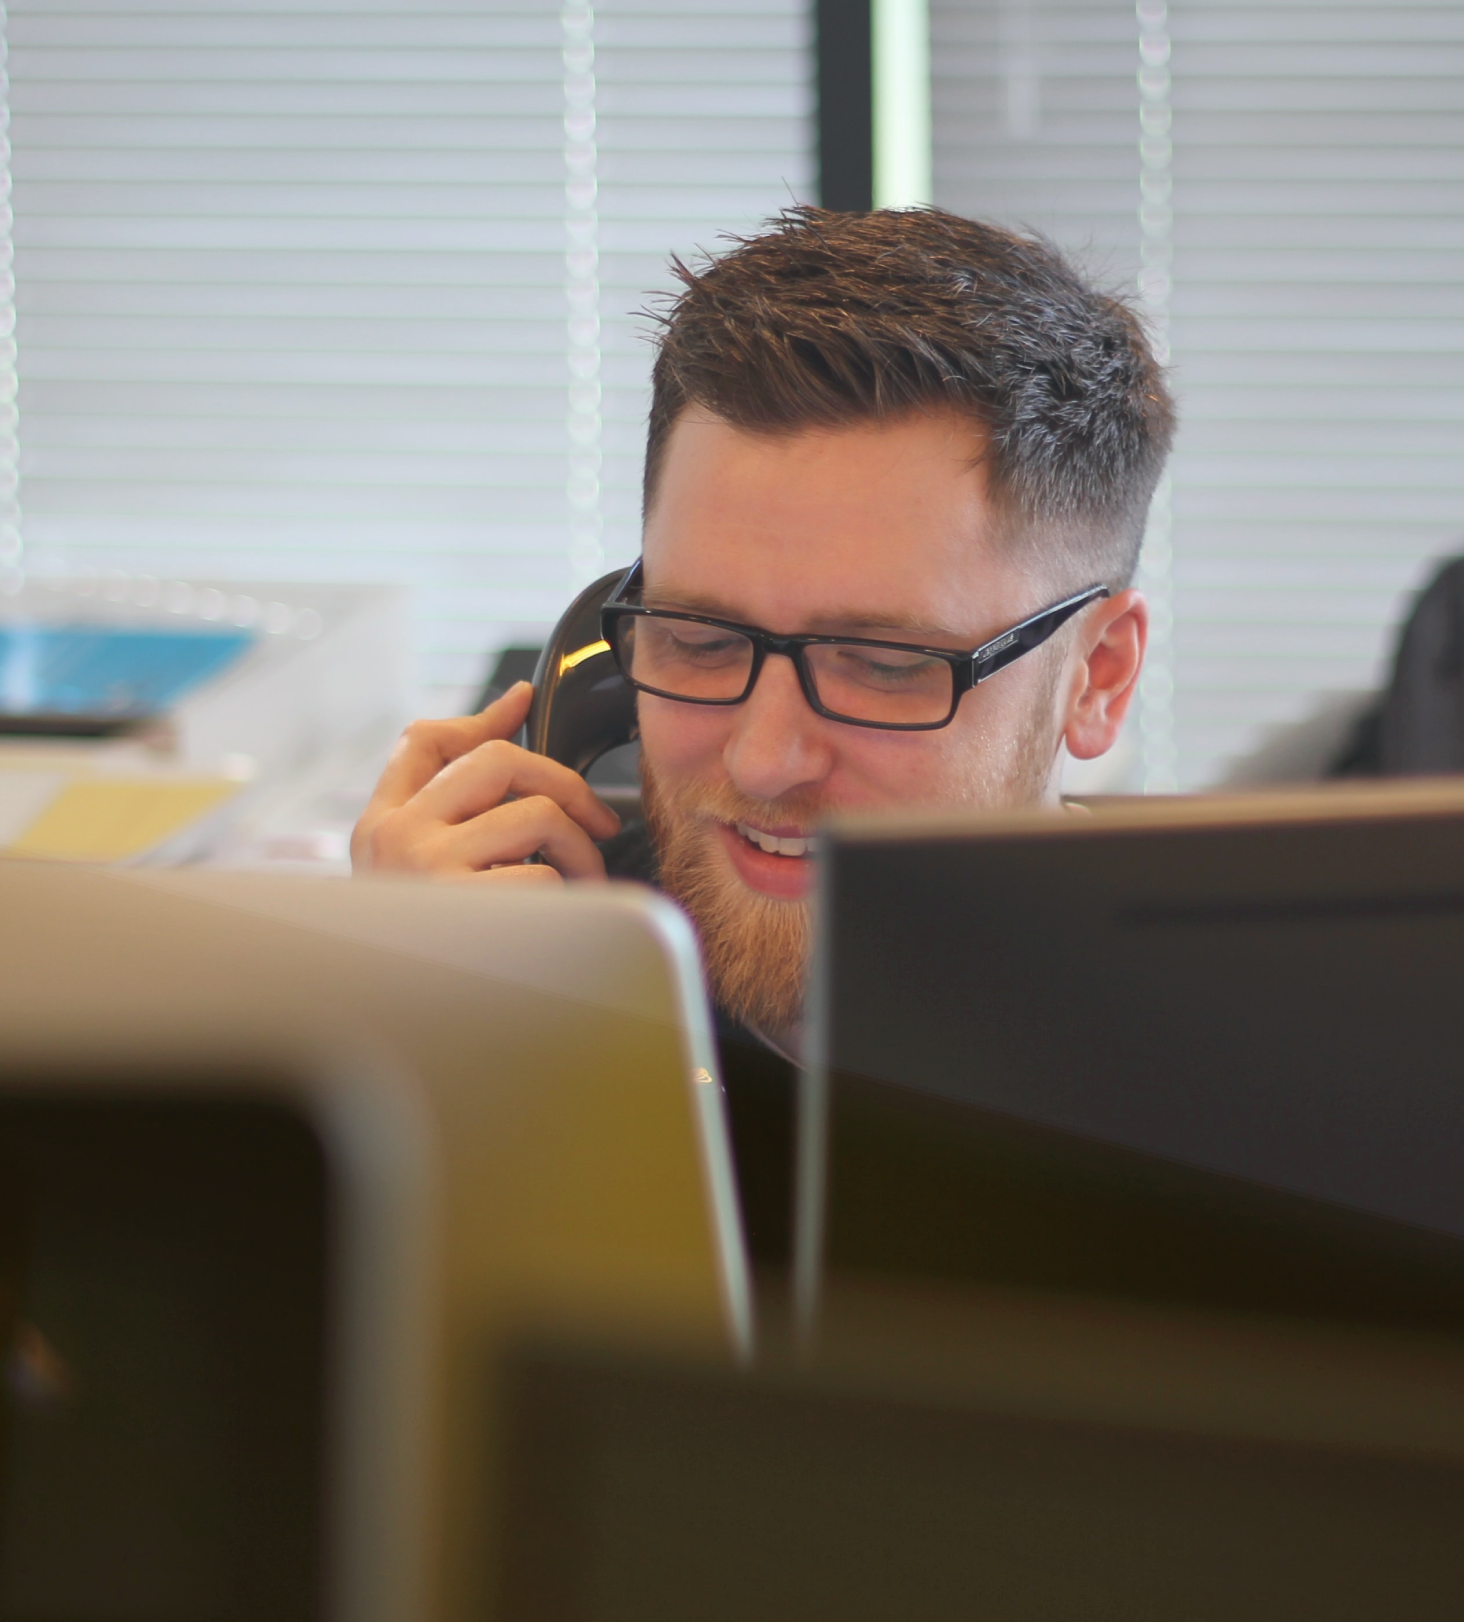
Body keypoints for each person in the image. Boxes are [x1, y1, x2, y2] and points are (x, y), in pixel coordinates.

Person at [351, 206, 1173, 1255]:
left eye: (882, 664)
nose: (761, 758)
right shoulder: (517, 975)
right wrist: (391, 1048)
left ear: (1097, 676)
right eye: (697, 638)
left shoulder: (1256, 1096)